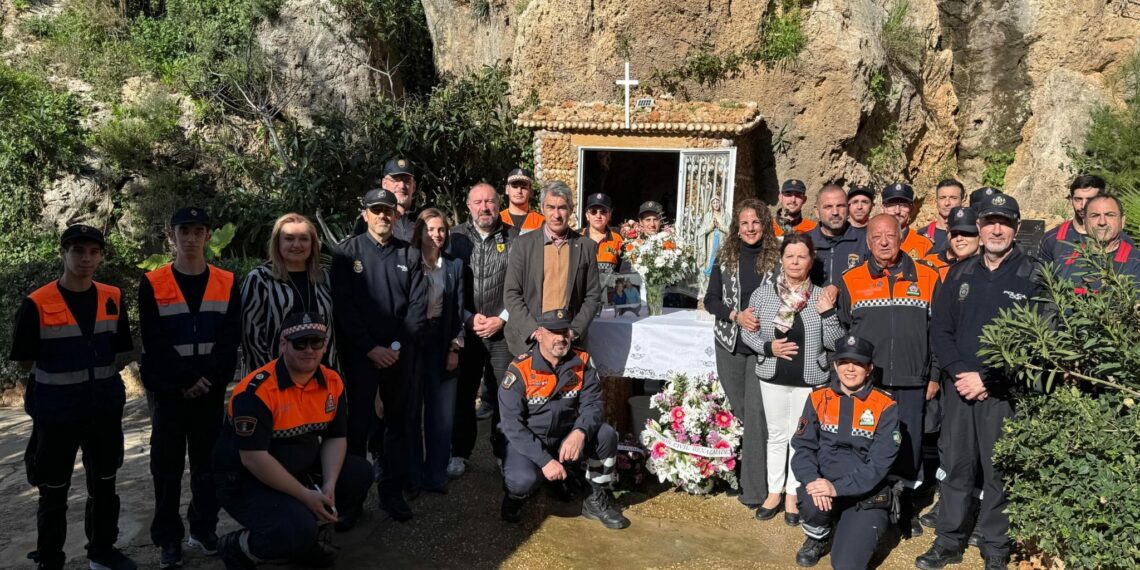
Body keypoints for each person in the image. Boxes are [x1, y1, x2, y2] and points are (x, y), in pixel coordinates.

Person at [917, 193, 1042, 570]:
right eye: (989, 222)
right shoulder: (961, 272)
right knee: (956, 466)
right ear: (980, 227)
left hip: (1002, 393)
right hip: (959, 389)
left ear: (1017, 228)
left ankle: (995, 545)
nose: (996, 229)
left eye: (1005, 222)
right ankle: (949, 541)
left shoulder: (1033, 275)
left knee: (998, 469)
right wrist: (959, 372)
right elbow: (941, 329)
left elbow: (1037, 344)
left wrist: (988, 379)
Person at [10, 225, 137, 570]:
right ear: (63, 253)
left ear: (101, 256)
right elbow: (24, 358)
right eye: (79, 251)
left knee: (105, 484)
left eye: (94, 252)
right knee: (53, 490)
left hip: (103, 410)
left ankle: (102, 550)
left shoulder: (113, 296)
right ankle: (50, 559)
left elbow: (121, 350)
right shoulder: (37, 303)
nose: (86, 259)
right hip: (56, 413)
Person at [213, 312, 372, 569]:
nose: (308, 349)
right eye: (299, 342)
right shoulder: (255, 392)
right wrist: (305, 496)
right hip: (245, 480)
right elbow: (253, 459)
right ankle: (240, 546)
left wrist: (329, 485)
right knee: (296, 528)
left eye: (315, 342)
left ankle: (305, 534)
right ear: (283, 345)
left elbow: (335, 437)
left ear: (325, 345)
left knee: (359, 473)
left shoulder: (332, 381)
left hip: (299, 469)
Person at [138, 207, 242, 568]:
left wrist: (208, 380)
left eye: (199, 231)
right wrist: (184, 381)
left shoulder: (227, 281)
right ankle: (169, 538)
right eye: (184, 230)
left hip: (209, 392)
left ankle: (203, 527)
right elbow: (153, 340)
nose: (191, 237)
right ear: (172, 236)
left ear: (208, 236)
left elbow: (230, 339)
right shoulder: (153, 283)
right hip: (169, 393)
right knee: (166, 468)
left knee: (208, 465)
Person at [834, 213, 940, 537]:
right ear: (868, 241)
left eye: (890, 236)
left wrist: (934, 374)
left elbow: (937, 332)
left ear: (900, 238)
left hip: (912, 380)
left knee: (908, 447)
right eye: (876, 236)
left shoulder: (928, 277)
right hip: (870, 383)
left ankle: (905, 507)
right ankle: (866, 504)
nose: (883, 242)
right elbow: (841, 330)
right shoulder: (851, 279)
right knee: (866, 444)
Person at [330, 187, 427, 521]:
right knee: (357, 429)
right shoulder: (346, 253)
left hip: (399, 358)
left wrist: (395, 348)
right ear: (365, 214)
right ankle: (351, 502)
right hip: (361, 358)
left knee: (397, 426)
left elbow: (416, 308)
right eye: (376, 210)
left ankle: (391, 492)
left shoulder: (409, 255)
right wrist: (371, 348)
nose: (383, 216)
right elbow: (344, 309)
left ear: (396, 215)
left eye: (388, 210)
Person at [741, 233, 845, 526]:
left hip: (809, 378)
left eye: (801, 256)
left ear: (811, 261)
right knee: (776, 435)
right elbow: (747, 331)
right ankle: (774, 492)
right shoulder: (764, 294)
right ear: (782, 260)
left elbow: (836, 342)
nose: (795, 261)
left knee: (800, 439)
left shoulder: (821, 296)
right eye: (790, 256)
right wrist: (767, 347)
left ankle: (792, 494)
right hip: (773, 375)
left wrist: (828, 315)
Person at [498, 309, 630, 529]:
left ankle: (595, 497)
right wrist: (545, 461)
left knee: (606, 435)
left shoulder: (583, 361)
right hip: (530, 441)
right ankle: (515, 498)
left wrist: (580, 432)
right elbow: (511, 425)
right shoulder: (520, 369)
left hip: (566, 437)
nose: (561, 337)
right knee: (522, 480)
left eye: (564, 331)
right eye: (553, 332)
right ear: (539, 334)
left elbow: (594, 406)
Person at [790, 335, 900, 569]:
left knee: (846, 565)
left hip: (864, 496)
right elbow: (803, 447)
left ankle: (850, 528)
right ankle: (819, 536)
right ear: (836, 365)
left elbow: (879, 465)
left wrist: (837, 488)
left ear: (869, 368)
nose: (850, 368)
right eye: (844, 362)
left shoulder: (885, 405)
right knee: (810, 499)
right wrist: (813, 480)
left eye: (858, 363)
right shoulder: (818, 398)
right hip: (824, 487)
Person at [703, 198, 781, 509]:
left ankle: (754, 491)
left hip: (762, 347)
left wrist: (766, 319)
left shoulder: (777, 260)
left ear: (765, 225)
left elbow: (792, 297)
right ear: (737, 226)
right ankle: (745, 473)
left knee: (757, 413)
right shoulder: (725, 257)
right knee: (740, 412)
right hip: (730, 344)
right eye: (744, 223)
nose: (750, 228)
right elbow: (710, 300)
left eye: (756, 222)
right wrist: (735, 315)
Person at [448, 183, 514, 477]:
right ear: (468, 206)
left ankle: (503, 453)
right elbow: (446, 286)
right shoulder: (453, 238)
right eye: (478, 202)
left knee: (504, 395)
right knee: (463, 394)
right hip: (468, 330)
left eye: (489, 201)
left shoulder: (516, 238)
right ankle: (460, 452)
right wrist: (466, 317)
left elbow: (522, 286)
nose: (484, 207)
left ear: (499, 204)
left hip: (502, 332)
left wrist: (502, 318)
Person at [503, 180, 602, 356]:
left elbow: (593, 296)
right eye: (551, 207)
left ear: (571, 209)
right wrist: (534, 331)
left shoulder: (586, 247)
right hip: (530, 342)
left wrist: (574, 332)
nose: (556, 214)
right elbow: (511, 294)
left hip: (570, 342)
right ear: (542, 208)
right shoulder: (523, 245)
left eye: (562, 208)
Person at [407, 208, 465, 494]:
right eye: (430, 229)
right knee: (412, 412)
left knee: (441, 415)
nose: (436, 234)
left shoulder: (453, 266)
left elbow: (457, 310)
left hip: (442, 341)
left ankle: (436, 475)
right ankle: (414, 476)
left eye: (441, 229)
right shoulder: (408, 262)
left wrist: (455, 346)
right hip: (414, 342)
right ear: (420, 231)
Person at [240, 213, 336, 376]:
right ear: (277, 243)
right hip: (275, 377)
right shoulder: (260, 279)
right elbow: (251, 335)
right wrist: (267, 376)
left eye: (304, 239)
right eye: (289, 238)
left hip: (321, 376)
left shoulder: (324, 278)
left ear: (313, 244)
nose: (297, 245)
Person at [1053, 194, 1140, 293]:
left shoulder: (1136, 262)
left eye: (1110, 215)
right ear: (1084, 222)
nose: (1102, 222)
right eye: (1095, 216)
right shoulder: (1065, 259)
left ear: (1122, 221)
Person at [1038, 174, 1105, 265]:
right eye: (1078, 199)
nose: (1083, 205)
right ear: (1070, 200)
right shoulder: (1051, 239)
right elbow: (1039, 276)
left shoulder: (1115, 239)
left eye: (1090, 199)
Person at [809, 184, 868, 286]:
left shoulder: (866, 241)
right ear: (816, 211)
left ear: (848, 209)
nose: (835, 212)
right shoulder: (804, 242)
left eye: (840, 206)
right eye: (828, 207)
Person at [922, 207, 981, 280]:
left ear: (980, 235)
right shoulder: (929, 264)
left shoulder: (992, 266)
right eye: (954, 233)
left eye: (966, 233)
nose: (959, 239)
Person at [881, 182, 934, 259]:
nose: (897, 211)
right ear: (882, 209)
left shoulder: (924, 243)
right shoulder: (871, 240)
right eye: (891, 205)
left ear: (912, 209)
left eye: (903, 205)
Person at [582, 192, 624, 275]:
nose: (598, 216)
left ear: (609, 215)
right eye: (593, 211)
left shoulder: (619, 238)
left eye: (603, 212)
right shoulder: (577, 237)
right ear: (587, 215)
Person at [919, 179, 965, 254]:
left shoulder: (971, 235)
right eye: (942, 198)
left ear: (963, 200)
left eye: (953, 198)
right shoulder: (921, 235)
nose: (947, 203)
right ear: (936, 201)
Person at [384, 156, 422, 242]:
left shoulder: (426, 219)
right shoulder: (374, 220)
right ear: (384, 184)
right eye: (395, 180)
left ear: (414, 186)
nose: (402, 186)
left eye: (407, 180)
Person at [698, 195, 728, 298]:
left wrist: (720, 226)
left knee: (721, 264)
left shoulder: (725, 216)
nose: (716, 205)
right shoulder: (708, 216)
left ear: (720, 203)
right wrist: (711, 226)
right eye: (714, 203)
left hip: (722, 243)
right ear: (711, 204)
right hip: (711, 243)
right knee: (710, 264)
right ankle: (707, 290)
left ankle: (719, 290)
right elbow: (701, 231)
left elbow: (730, 230)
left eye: (717, 202)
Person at [500, 167, 544, 235]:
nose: (519, 191)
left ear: (531, 192)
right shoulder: (497, 219)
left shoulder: (541, 221)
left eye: (523, 187)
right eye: (515, 186)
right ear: (507, 189)